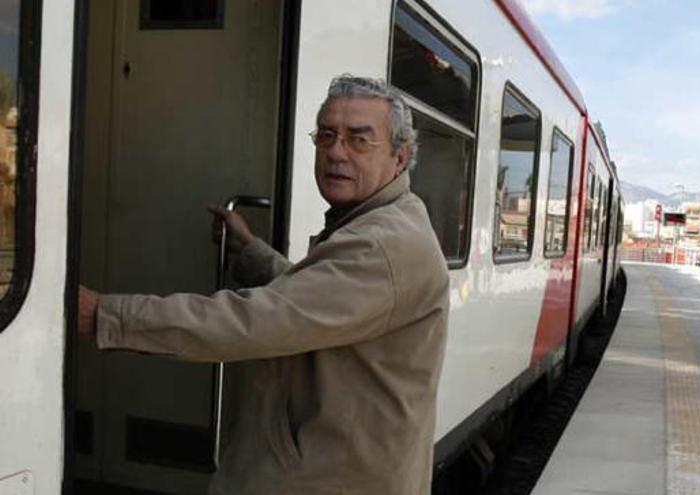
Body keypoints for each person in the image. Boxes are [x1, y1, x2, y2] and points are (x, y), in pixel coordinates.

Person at [78, 75, 450, 495]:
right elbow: (320, 300)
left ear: (400, 158)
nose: (336, 152)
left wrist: (104, 315)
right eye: (326, 135)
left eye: (359, 140)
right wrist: (253, 252)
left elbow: (258, 321)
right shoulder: (383, 222)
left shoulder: (384, 245)